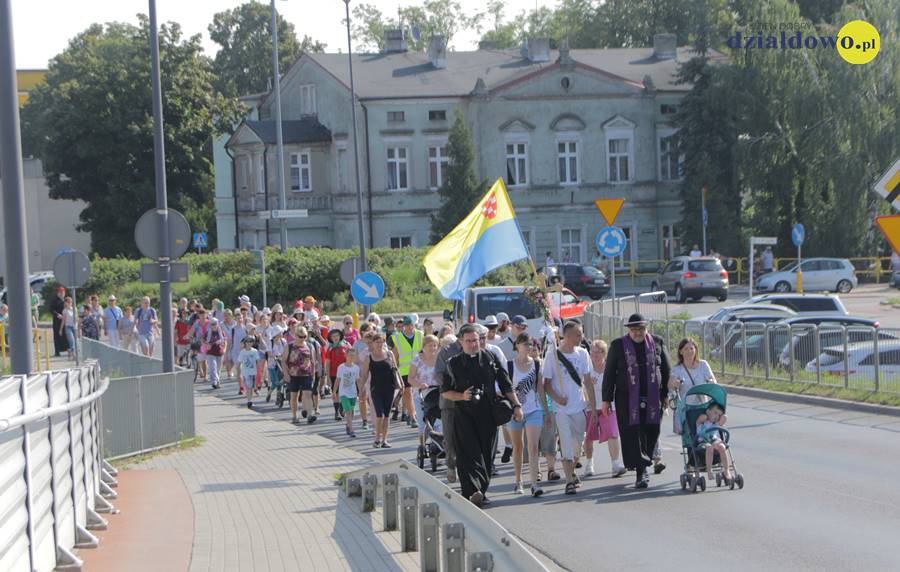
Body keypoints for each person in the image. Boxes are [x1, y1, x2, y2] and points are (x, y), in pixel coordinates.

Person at [441, 324, 523, 507]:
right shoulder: (453, 363)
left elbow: (506, 385)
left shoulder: (490, 358)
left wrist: (517, 406)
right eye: (468, 341)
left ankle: (481, 492)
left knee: (486, 455)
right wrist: (462, 396)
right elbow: (445, 392)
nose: (472, 344)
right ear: (461, 342)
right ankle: (471, 491)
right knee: (468, 455)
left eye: (475, 340)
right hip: (464, 416)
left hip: (487, 415)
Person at [601, 313, 670, 489]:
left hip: (653, 398)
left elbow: (666, 369)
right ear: (629, 331)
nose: (637, 333)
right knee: (633, 434)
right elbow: (609, 373)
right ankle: (641, 471)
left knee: (650, 433)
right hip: (627, 399)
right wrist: (606, 400)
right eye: (634, 329)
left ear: (646, 328)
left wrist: (665, 394)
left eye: (641, 329)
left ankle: (645, 463)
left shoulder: (657, 342)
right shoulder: (618, 345)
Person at [543, 321, 595, 495]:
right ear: (567, 336)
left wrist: (593, 409)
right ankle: (569, 481)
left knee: (577, 446)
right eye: (578, 334)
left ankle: (571, 471)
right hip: (561, 409)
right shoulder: (553, 356)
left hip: (579, 406)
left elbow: (587, 381)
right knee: (565, 444)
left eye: (581, 334)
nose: (581, 337)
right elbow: (547, 384)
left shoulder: (582, 354)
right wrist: (557, 397)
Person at [506, 333, 551, 497]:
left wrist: (546, 412)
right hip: (515, 411)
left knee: (533, 446)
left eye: (530, 344)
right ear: (517, 345)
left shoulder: (537, 365)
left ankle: (534, 483)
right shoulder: (509, 365)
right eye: (525, 344)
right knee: (518, 447)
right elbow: (506, 389)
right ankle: (518, 480)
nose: (528, 347)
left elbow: (540, 389)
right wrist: (513, 406)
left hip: (534, 410)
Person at [583, 340, 626, 478]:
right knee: (589, 437)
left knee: (613, 434)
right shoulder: (587, 369)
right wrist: (587, 386)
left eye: (599, 352)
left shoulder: (610, 368)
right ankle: (589, 463)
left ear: (605, 353)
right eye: (593, 352)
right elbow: (581, 388)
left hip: (609, 406)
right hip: (591, 407)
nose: (595, 355)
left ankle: (615, 464)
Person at [359, 332, 403, 448]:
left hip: (389, 388)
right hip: (376, 389)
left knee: (387, 415)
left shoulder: (389, 354)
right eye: (377, 342)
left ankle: (385, 440)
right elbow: (364, 375)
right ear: (372, 343)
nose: (379, 344)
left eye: (381, 341)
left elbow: (395, 369)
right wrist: (361, 389)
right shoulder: (369, 357)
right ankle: (377, 438)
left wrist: (401, 383)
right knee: (380, 415)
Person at [668, 338, 717, 433]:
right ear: (681, 352)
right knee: (690, 437)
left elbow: (713, 381)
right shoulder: (677, 369)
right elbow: (670, 384)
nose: (689, 351)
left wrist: (711, 381)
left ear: (695, 350)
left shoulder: (703, 365)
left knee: (705, 434)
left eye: (691, 348)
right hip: (686, 409)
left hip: (703, 407)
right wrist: (675, 383)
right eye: (686, 349)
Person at [435, 331, 463, 483]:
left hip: (467, 401)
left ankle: (465, 467)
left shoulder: (473, 348)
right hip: (449, 402)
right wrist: (452, 387)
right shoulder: (446, 352)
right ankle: (451, 466)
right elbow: (438, 374)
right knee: (450, 436)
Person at [389, 315, 423, 427]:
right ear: (404, 326)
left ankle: (418, 414)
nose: (409, 327)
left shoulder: (420, 335)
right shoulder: (398, 338)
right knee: (408, 393)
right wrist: (393, 369)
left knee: (419, 393)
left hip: (419, 368)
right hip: (405, 370)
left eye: (411, 324)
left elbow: (425, 351)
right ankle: (412, 417)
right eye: (407, 325)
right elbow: (394, 354)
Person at [409, 334, 439, 454]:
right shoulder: (417, 359)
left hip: (437, 393)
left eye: (435, 345)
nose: (432, 348)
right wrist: (419, 384)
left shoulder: (439, 359)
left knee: (438, 421)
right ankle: (422, 445)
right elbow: (410, 379)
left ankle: (438, 445)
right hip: (421, 394)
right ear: (424, 346)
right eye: (430, 345)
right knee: (423, 423)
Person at [282, 325, 318, 424]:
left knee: (308, 394)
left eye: (304, 336)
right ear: (295, 335)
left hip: (306, 374)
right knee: (294, 396)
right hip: (293, 375)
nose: (302, 339)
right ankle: (294, 416)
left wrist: (313, 373)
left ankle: (310, 415)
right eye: (300, 336)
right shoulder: (289, 346)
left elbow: (313, 361)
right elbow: (284, 361)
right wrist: (286, 374)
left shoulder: (309, 346)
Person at [696, 402, 733, 484]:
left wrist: (720, 415)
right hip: (703, 442)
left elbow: (724, 418)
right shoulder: (701, 422)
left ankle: (726, 470)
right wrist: (707, 415)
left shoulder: (716, 424)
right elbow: (702, 417)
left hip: (714, 440)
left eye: (718, 415)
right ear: (708, 411)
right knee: (709, 447)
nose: (717, 416)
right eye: (715, 413)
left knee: (722, 447)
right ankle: (709, 471)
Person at [325, 328, 352, 421]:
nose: (335, 338)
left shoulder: (346, 345)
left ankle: (342, 407)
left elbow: (351, 357)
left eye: (337, 335)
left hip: (345, 373)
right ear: (330, 338)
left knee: (344, 392)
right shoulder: (330, 348)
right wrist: (327, 377)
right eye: (333, 336)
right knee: (335, 393)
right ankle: (336, 411)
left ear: (340, 336)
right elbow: (327, 363)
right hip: (334, 374)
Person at [337, 347, 361, 437]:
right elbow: (338, 379)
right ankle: (351, 430)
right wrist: (334, 391)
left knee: (352, 412)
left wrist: (361, 391)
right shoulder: (341, 367)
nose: (352, 357)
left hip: (353, 393)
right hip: (343, 393)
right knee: (348, 411)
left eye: (354, 355)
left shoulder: (356, 368)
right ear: (346, 355)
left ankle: (348, 425)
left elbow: (358, 380)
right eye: (350, 355)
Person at [238, 335, 261, 409]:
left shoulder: (254, 351)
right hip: (245, 371)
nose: (249, 343)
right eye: (247, 341)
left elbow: (258, 361)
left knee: (251, 387)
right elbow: (239, 362)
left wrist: (258, 370)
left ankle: (250, 400)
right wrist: (239, 371)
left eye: (251, 341)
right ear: (245, 343)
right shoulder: (242, 352)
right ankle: (249, 401)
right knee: (248, 387)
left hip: (253, 371)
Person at [267, 325, 287, 402]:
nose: (282, 333)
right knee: (275, 382)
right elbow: (269, 353)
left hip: (281, 364)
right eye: (280, 332)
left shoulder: (283, 341)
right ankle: (269, 393)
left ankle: (278, 397)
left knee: (280, 380)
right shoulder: (271, 342)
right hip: (272, 365)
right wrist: (275, 356)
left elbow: (286, 350)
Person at [205, 317, 227, 389]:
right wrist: (206, 345)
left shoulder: (221, 332)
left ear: (217, 324)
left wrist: (224, 349)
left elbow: (225, 341)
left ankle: (217, 382)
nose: (214, 326)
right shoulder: (208, 332)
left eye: (215, 324)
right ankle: (214, 382)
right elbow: (202, 339)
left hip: (219, 352)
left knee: (218, 369)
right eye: (212, 324)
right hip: (210, 352)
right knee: (213, 367)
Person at [49, 287, 68, 357]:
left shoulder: (66, 300)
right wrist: (57, 314)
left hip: (65, 320)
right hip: (57, 321)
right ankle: (57, 351)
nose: (62, 294)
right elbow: (51, 309)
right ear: (58, 293)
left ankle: (68, 350)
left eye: (63, 293)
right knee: (57, 336)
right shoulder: (54, 300)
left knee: (66, 335)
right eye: (60, 293)